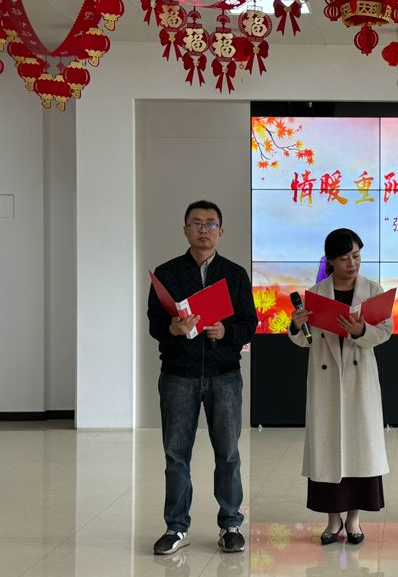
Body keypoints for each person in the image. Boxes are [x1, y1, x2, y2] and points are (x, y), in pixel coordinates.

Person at [147, 200, 258, 555]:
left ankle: (230, 524)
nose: (204, 229)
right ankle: (176, 527)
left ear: (221, 232)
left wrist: (226, 332)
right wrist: (173, 328)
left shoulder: (234, 274)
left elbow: (249, 324)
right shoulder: (166, 273)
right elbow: (154, 323)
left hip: (224, 376)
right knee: (176, 455)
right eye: (196, 223)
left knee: (228, 453)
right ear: (185, 230)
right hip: (178, 375)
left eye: (211, 223)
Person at [289, 228, 392, 546]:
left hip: (359, 381)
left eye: (357, 256)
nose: (352, 263)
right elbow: (304, 341)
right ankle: (332, 520)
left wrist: (361, 331)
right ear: (331, 260)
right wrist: (296, 325)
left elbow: (385, 331)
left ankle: (354, 520)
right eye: (345, 258)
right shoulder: (316, 293)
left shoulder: (373, 290)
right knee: (328, 448)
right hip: (326, 382)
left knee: (359, 449)